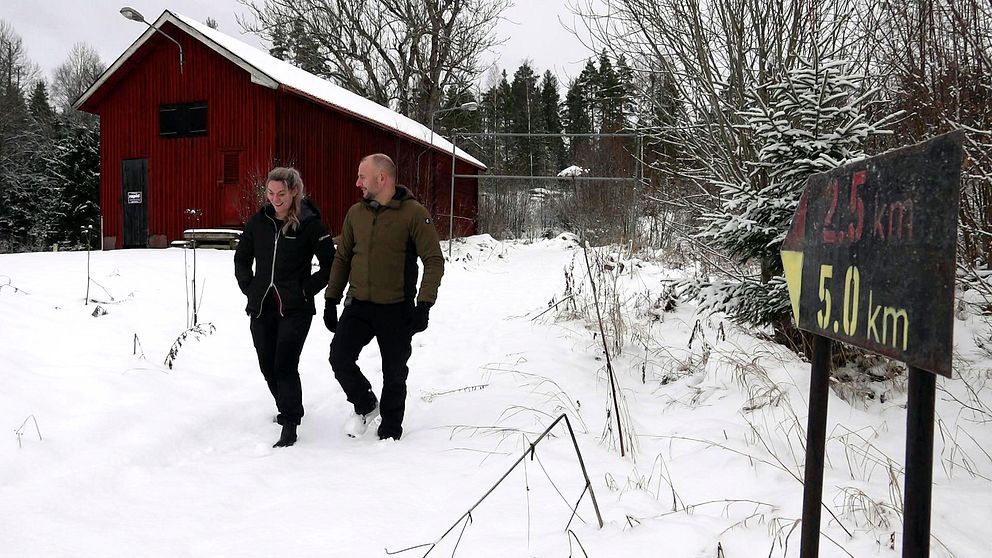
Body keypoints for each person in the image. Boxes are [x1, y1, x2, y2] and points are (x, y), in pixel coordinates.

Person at [324, 153, 444, 441]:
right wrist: (331, 298)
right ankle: (365, 403)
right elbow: (342, 258)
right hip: (359, 304)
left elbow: (434, 259)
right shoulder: (356, 213)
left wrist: (424, 304)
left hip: (396, 308)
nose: (357, 183)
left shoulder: (413, 213)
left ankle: (390, 430)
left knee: (394, 372)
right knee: (339, 357)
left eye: (362, 177)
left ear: (382, 178)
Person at [234, 167, 335, 448]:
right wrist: (249, 286)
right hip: (262, 305)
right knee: (267, 364)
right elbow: (241, 258)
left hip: (296, 307)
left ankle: (290, 422)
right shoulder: (259, 222)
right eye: (270, 193)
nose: (275, 199)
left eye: (281, 193)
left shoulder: (309, 223)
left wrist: (307, 289)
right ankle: (287, 405)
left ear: (293, 192)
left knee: (284, 364)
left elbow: (332, 264)